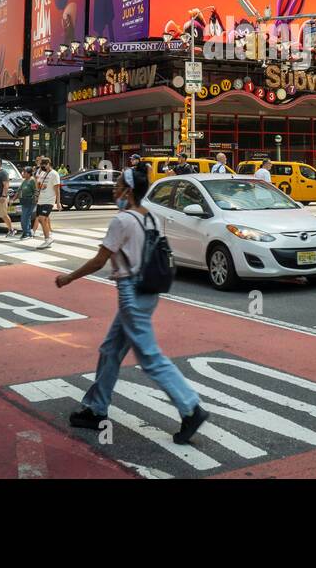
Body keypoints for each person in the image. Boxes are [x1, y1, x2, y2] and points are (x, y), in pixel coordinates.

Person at [55, 165, 210, 445]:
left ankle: (190, 408)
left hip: (131, 292)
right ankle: (95, 408)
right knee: (110, 349)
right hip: (148, 291)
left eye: (117, 185)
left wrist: (68, 278)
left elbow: (99, 260)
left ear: (128, 190)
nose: (114, 189)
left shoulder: (122, 221)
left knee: (149, 357)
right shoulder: (150, 217)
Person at [33, 157, 61, 246]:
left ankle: (47, 238)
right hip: (41, 200)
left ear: (49, 164)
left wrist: (58, 202)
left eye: (44, 165)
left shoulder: (54, 174)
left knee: (42, 218)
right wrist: (36, 195)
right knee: (42, 220)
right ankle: (48, 237)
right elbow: (39, 185)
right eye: (41, 165)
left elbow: (57, 189)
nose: (42, 166)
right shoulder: (42, 173)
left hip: (49, 200)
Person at [17, 167, 38, 240]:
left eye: (25, 172)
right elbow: (19, 190)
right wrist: (13, 199)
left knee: (24, 218)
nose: (23, 173)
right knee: (26, 217)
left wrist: (35, 199)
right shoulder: (25, 180)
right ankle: (27, 232)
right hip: (24, 201)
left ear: (29, 173)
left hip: (30, 201)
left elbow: (36, 190)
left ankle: (26, 233)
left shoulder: (32, 180)